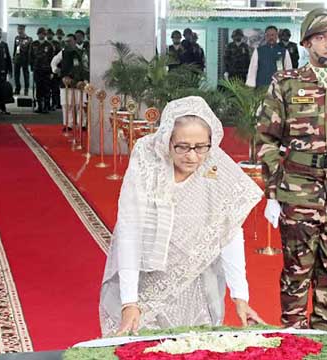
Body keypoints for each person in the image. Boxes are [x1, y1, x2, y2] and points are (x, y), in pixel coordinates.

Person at [99, 96, 263, 336]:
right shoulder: (147, 161)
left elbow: (229, 232)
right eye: (182, 147)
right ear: (167, 140)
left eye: (201, 147)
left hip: (198, 283)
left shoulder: (217, 165)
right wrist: (129, 302)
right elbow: (130, 232)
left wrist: (240, 296)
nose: (193, 156)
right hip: (147, 283)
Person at [256, 8, 327, 332]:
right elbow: (266, 139)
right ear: (307, 43)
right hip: (297, 190)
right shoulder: (287, 83)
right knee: (296, 271)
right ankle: (293, 339)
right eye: (322, 38)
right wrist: (274, 191)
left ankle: (325, 339)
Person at [30, 27, 55, 114]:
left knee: (47, 88)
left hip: (46, 70)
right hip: (37, 69)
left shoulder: (49, 45)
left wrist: (52, 71)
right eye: (40, 33)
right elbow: (31, 57)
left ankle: (46, 106)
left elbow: (52, 59)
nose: (42, 35)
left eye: (43, 34)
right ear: (38, 34)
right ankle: (39, 106)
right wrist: (32, 67)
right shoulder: (33, 44)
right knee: (38, 88)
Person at [13, 24, 32, 96]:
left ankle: (26, 90)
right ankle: (17, 89)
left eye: (21, 29)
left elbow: (30, 51)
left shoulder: (29, 39)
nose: (19, 30)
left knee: (26, 75)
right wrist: (13, 57)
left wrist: (29, 60)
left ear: (24, 30)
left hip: (25, 59)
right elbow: (15, 48)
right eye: (18, 29)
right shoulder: (16, 38)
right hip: (17, 59)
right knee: (16, 75)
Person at [47, 28, 62, 110]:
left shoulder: (56, 44)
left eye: (51, 34)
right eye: (48, 34)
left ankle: (55, 103)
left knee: (55, 88)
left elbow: (59, 57)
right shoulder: (43, 44)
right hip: (45, 68)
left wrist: (58, 69)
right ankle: (47, 104)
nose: (49, 36)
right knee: (47, 88)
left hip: (55, 68)